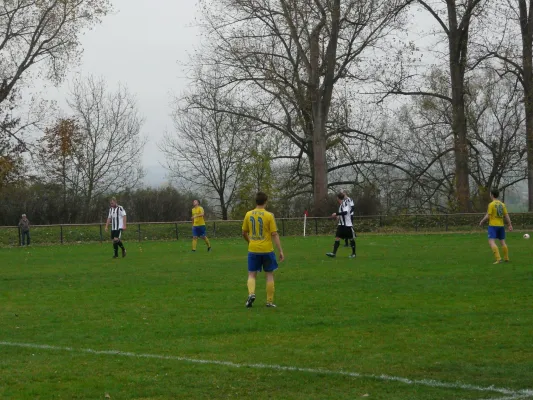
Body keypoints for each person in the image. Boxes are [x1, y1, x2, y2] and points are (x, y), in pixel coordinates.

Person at [242, 192, 285, 308]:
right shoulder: (269, 215)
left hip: (253, 249)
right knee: (269, 275)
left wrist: (250, 241)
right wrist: (280, 250)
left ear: (255, 201)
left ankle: (251, 294)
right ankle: (269, 302)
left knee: (251, 274)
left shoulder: (248, 214)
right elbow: (274, 234)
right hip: (267, 250)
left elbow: (244, 232)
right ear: (266, 201)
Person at [479, 189, 513, 264]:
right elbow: (506, 215)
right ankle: (506, 258)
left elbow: (488, 215)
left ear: (492, 195)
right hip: (501, 226)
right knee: (502, 242)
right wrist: (510, 225)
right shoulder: (502, 204)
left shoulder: (491, 204)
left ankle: (498, 259)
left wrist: (482, 221)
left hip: (493, 226)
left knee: (491, 242)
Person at [326, 192, 356, 259]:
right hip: (341, 225)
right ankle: (333, 253)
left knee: (351, 239)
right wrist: (338, 217)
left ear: (338, 198)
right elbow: (341, 214)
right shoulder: (341, 205)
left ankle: (354, 254)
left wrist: (336, 213)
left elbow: (345, 212)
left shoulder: (345, 204)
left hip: (347, 225)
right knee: (337, 237)